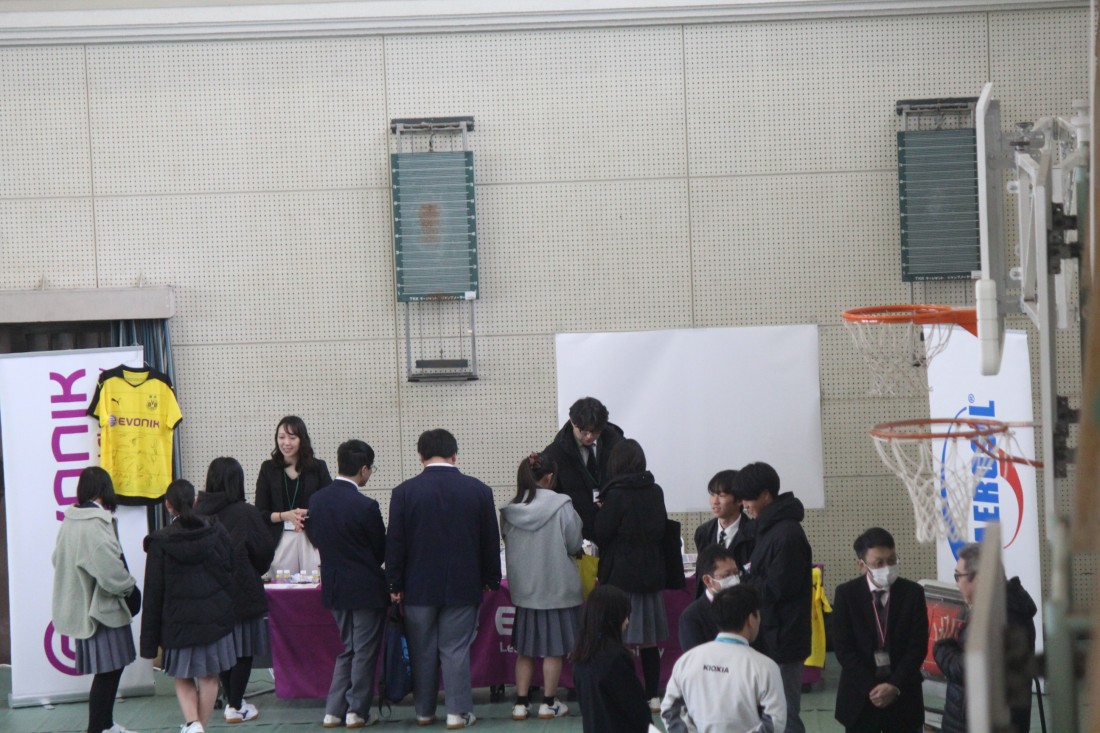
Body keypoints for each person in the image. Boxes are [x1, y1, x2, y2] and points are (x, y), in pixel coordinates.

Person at [385, 429, 501, 729]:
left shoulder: (404, 492)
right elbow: (490, 541)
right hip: (464, 585)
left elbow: (395, 544)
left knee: (422, 650)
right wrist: (491, 577)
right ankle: (457, 712)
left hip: (418, 588)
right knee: (455, 649)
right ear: (454, 455)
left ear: (420, 456)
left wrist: (395, 584)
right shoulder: (479, 490)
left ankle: (424, 712)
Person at [141, 479, 236, 733]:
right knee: (209, 677)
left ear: (167, 505)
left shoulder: (161, 542)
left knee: (182, 675)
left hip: (177, 623)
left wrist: (149, 641)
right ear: (194, 501)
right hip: (214, 619)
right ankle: (198, 726)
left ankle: (193, 724)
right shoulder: (216, 530)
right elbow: (230, 569)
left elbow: (153, 592)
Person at [51, 466, 141, 733]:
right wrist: (130, 588)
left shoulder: (71, 520)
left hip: (85, 608)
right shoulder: (94, 524)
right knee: (109, 671)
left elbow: (57, 559)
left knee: (109, 670)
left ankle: (105, 725)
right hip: (102, 610)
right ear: (105, 489)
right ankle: (97, 728)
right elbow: (110, 570)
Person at [306, 439, 388, 729]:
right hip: (366, 589)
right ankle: (356, 711)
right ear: (364, 469)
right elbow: (380, 551)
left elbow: (316, 538)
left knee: (349, 648)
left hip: (335, 587)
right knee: (363, 651)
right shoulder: (366, 506)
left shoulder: (316, 500)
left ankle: (333, 711)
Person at [500, 451, 584, 721]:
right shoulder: (562, 505)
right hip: (557, 589)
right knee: (553, 650)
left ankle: (521, 703)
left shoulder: (510, 510)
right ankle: (549, 702)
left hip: (525, 591)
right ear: (549, 477)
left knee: (525, 650)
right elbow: (574, 543)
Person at [732, 461, 812, 733]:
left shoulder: (787, 534)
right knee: (767, 712)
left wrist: (742, 581)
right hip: (769, 633)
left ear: (766, 495)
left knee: (784, 714)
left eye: (748, 499)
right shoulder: (767, 529)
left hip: (784, 639)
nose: (744, 505)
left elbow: (778, 588)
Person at [195, 457, 275, 724]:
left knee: (222, 651)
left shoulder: (196, 514)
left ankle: (233, 701)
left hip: (207, 595)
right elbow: (264, 551)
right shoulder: (246, 513)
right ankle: (236, 704)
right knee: (243, 650)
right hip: (242, 591)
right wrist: (252, 569)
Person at [593, 438, 669, 712]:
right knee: (649, 640)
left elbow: (602, 533)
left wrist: (601, 511)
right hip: (650, 573)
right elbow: (661, 528)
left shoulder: (615, 494)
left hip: (621, 576)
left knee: (618, 638)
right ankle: (652, 696)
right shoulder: (655, 491)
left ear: (615, 463)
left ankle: (624, 694)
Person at [933, 542, 1037, 733]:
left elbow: (973, 671)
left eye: (958, 576)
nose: (956, 584)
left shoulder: (999, 618)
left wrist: (943, 648)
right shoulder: (1000, 608)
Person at [831, 528, 928, 733]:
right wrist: (872, 688)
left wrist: (894, 686)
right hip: (861, 698)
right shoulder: (846, 595)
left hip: (904, 695)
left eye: (892, 560)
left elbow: (917, 646)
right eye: (879, 563)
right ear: (861, 565)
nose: (887, 568)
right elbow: (843, 649)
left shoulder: (913, 593)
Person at [661, 585, 786, 733]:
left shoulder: (686, 661)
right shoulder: (765, 667)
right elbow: (774, 722)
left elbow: (669, 710)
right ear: (751, 619)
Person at [253, 415, 332, 576]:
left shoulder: (318, 467)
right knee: (282, 586)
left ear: (302, 439)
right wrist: (285, 516)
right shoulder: (268, 468)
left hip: (311, 539)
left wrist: (308, 512)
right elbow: (260, 512)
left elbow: (329, 505)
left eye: (292, 437)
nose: (286, 443)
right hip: (279, 539)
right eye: (281, 437)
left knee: (313, 585)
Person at [571, 585, 653, 733]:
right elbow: (636, 708)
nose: (627, 622)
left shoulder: (580, 656)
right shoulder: (616, 657)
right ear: (613, 617)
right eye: (625, 615)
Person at [543, 397, 624, 540]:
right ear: (572, 421)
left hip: (614, 530)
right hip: (577, 534)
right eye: (584, 431)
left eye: (595, 432)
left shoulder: (618, 445)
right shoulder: (555, 454)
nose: (589, 437)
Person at [693, 469, 755, 597]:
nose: (714, 501)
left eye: (721, 495)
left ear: (739, 500)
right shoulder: (703, 532)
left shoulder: (754, 533)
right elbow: (701, 576)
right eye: (712, 494)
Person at [678, 544, 739, 653]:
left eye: (735, 573)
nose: (734, 579)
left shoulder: (745, 607)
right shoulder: (692, 617)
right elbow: (695, 657)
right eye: (726, 575)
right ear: (707, 580)